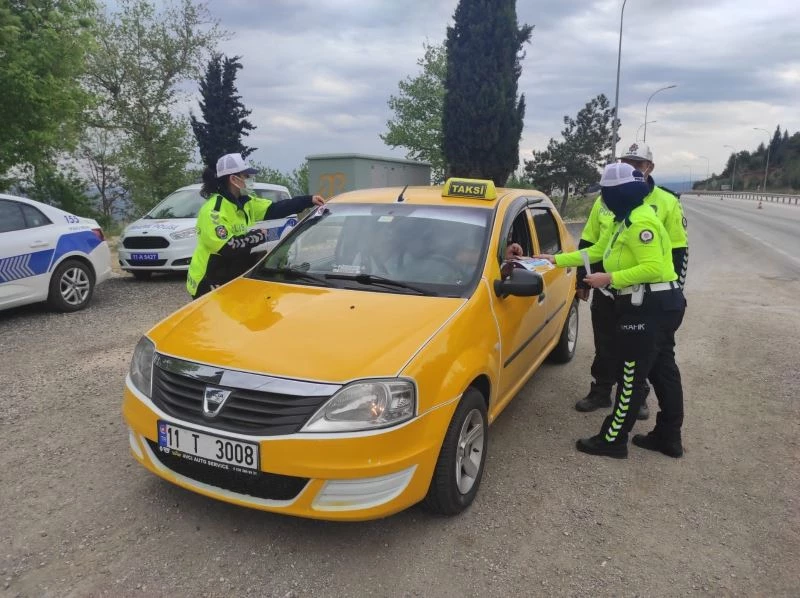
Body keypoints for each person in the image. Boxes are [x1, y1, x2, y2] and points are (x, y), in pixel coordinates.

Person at [534, 162, 687, 458]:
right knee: (663, 371)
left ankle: (613, 439)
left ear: (618, 194)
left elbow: (654, 267)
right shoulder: (623, 220)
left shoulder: (640, 223)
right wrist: (554, 260)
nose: (601, 199)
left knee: (630, 374)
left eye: (604, 193)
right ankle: (669, 436)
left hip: (648, 306)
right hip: (658, 303)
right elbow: (595, 252)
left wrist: (610, 278)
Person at [573, 142, 689, 420]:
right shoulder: (606, 199)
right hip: (606, 289)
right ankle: (601, 390)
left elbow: (677, 251)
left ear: (649, 168)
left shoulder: (666, 201)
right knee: (605, 341)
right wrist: (582, 280)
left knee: (642, 349)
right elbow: (591, 241)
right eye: (626, 162)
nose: (631, 167)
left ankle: (637, 398)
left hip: (643, 295)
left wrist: (673, 291)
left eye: (637, 163)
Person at [186, 152, 325, 299]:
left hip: (228, 276)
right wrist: (259, 236)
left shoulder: (246, 202)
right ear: (234, 179)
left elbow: (275, 209)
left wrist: (308, 200)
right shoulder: (214, 211)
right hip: (208, 281)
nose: (250, 180)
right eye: (246, 176)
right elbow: (228, 247)